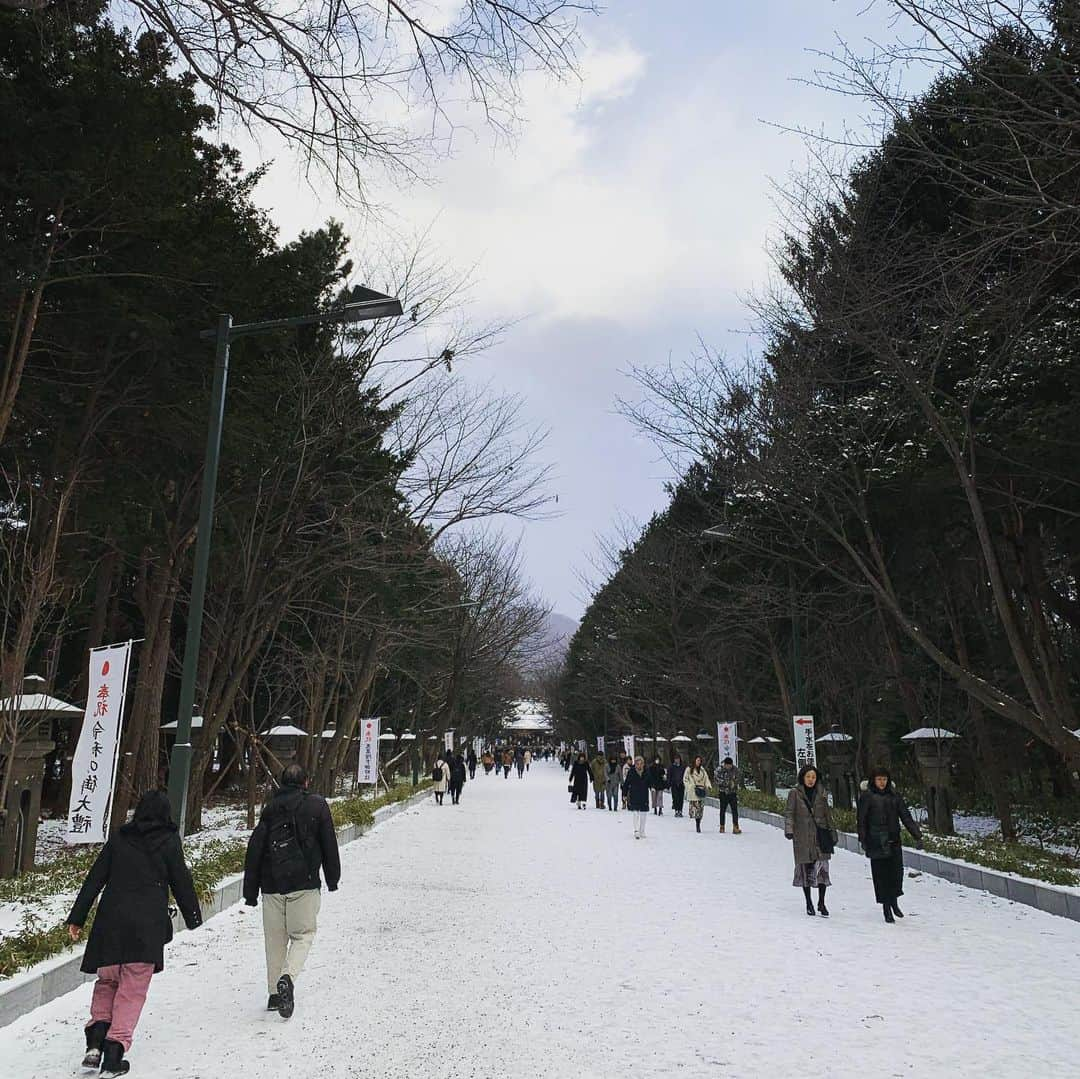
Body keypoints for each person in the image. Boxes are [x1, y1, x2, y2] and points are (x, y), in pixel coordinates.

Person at [65, 790, 202, 1077]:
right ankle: (114, 1053)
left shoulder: (120, 837)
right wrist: (193, 918)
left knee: (107, 981)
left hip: (110, 925)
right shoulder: (168, 842)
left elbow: (95, 877)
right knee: (132, 990)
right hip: (145, 929)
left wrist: (77, 918)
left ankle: (95, 1040)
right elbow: (182, 881)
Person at [243, 764, 341, 1019]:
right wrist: (332, 878)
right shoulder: (318, 806)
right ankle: (287, 977)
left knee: (274, 940)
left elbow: (255, 851)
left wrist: (251, 892)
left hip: (272, 885)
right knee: (303, 935)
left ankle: (275, 994)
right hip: (305, 884)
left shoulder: (269, 810)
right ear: (306, 782)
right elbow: (329, 844)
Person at [857, 765, 924, 923]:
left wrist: (917, 835)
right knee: (881, 876)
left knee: (896, 874)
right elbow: (861, 820)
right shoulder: (867, 797)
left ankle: (894, 901)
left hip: (894, 840)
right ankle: (886, 907)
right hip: (876, 841)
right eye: (879, 779)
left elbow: (905, 816)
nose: (882, 782)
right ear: (873, 780)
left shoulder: (895, 796)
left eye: (884, 779)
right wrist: (863, 839)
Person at [784, 765, 836, 917]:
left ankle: (821, 902)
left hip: (820, 836)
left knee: (822, 869)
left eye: (813, 777)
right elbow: (789, 812)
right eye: (808, 777)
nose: (811, 780)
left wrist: (832, 832)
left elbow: (828, 813)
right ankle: (808, 902)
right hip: (803, 836)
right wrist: (789, 829)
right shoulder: (795, 793)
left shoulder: (822, 793)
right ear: (802, 777)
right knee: (805, 869)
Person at [623, 756, 651, 839]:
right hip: (634, 794)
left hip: (644, 795)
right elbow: (626, 783)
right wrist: (624, 794)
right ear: (635, 764)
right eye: (637, 764)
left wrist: (652, 787)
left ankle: (642, 830)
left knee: (643, 814)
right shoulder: (631, 772)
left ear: (643, 764)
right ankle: (636, 830)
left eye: (641, 764)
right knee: (635, 813)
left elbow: (650, 781)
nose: (639, 765)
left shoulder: (646, 771)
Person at [715, 756, 742, 834]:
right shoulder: (719, 770)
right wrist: (727, 783)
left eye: (730, 765)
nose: (729, 767)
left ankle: (735, 827)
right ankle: (722, 826)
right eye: (727, 765)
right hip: (723, 792)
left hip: (732, 793)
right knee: (722, 810)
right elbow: (717, 780)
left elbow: (739, 778)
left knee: (734, 810)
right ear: (725, 764)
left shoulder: (735, 769)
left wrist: (735, 783)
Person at [684, 756, 711, 833]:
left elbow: (706, 778)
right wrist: (690, 786)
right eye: (697, 760)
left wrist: (708, 785)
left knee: (700, 809)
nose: (699, 762)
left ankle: (699, 823)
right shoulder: (689, 769)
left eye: (700, 760)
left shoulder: (702, 770)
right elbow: (685, 779)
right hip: (693, 791)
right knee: (696, 809)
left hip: (701, 790)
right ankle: (697, 824)